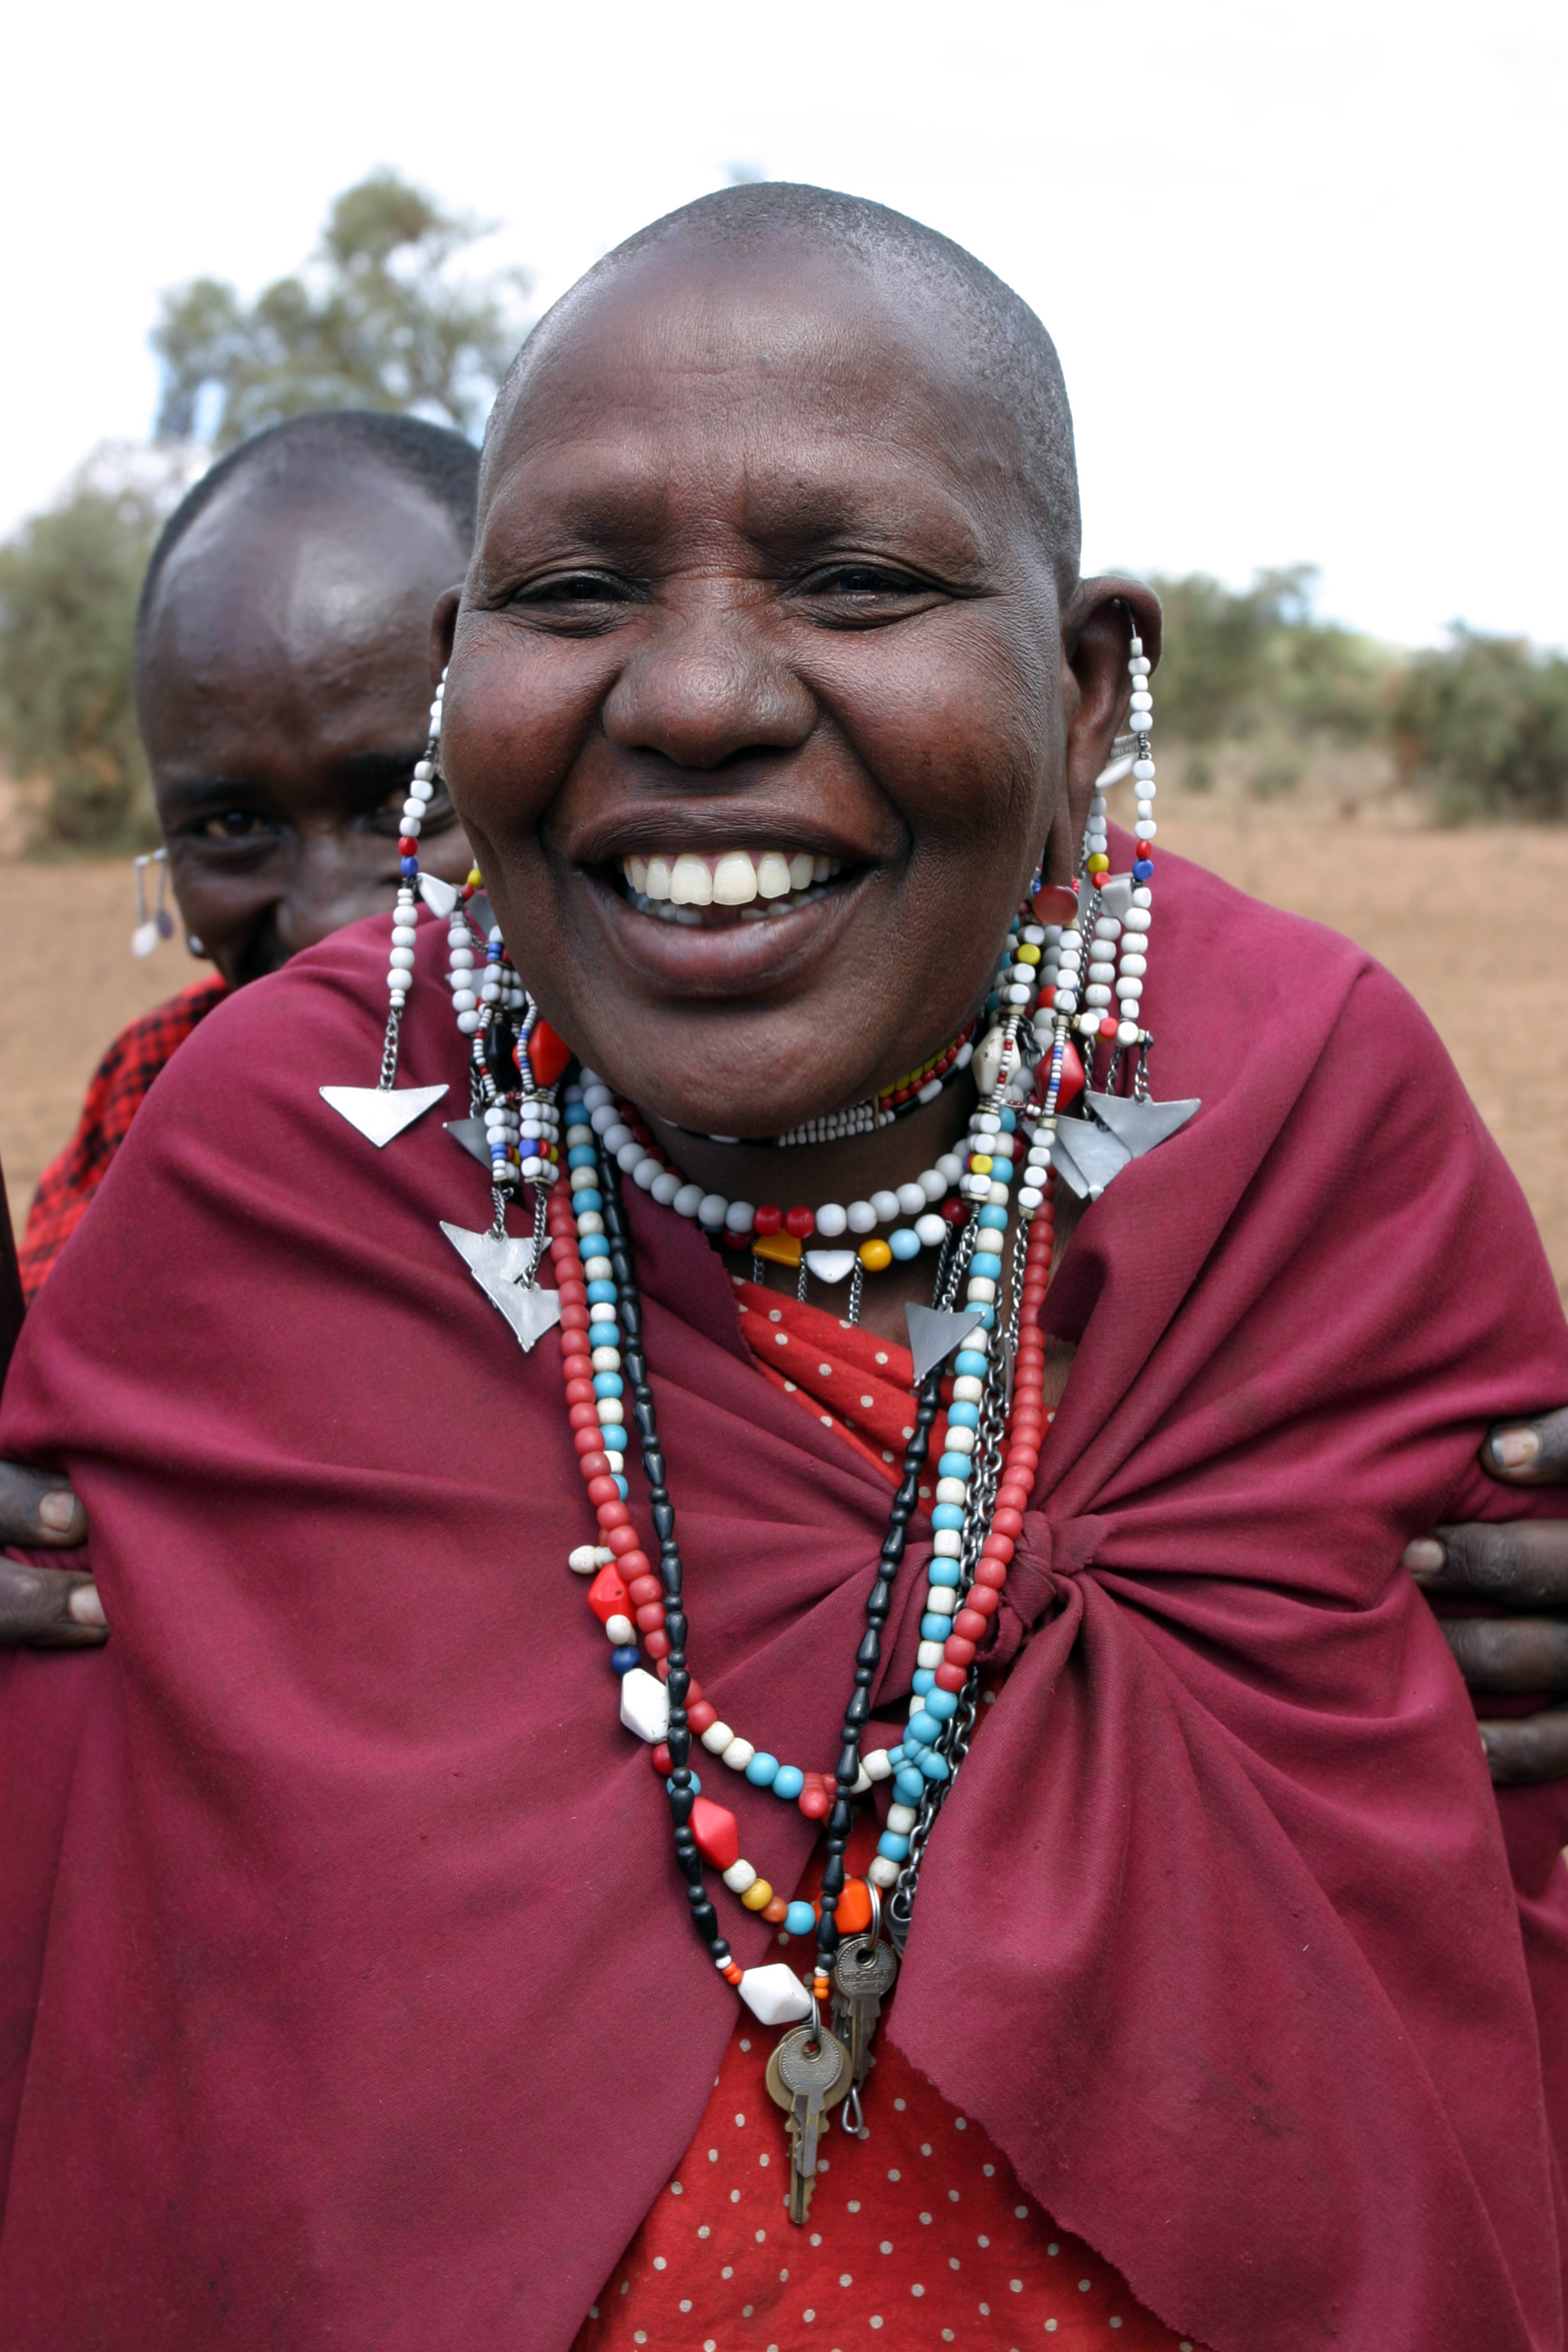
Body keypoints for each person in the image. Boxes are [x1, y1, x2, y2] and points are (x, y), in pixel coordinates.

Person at [2, 185, 1566, 2352]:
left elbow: (1506, 1928)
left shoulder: (1295, 1129)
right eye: (573, 593)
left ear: (1090, 693)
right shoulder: (283, 1173)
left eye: (851, 579)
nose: (707, 696)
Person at [0, 409, 478, 1632]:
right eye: (230, 827)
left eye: (404, 803)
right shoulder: (157, 1097)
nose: (324, 920)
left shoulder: (709, 1105)